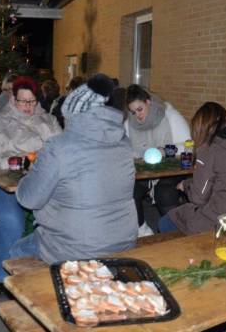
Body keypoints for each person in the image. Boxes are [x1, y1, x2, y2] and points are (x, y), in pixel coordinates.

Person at [10, 74, 137, 264]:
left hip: (73, 248)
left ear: (72, 114)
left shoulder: (58, 147)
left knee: (16, 251)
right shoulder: (124, 143)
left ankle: (38, 292)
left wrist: (29, 174)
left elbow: (29, 199)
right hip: (123, 241)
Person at [0, 76, 61, 294]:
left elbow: (63, 150)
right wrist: (15, 162)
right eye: (22, 101)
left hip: (41, 183)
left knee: (65, 213)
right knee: (12, 218)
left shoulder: (49, 121)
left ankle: (50, 268)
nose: (27, 107)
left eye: (31, 102)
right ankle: (2, 276)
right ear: (13, 99)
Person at [160, 102, 226, 234]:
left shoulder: (210, 148)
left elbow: (198, 197)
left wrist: (185, 185)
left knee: (165, 222)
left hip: (222, 221)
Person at [125, 84, 190, 236]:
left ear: (149, 102)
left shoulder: (170, 116)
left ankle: (178, 233)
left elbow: (187, 146)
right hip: (145, 169)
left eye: (140, 109)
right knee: (129, 192)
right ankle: (142, 231)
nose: (137, 115)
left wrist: (165, 151)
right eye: (133, 112)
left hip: (171, 167)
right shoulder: (129, 123)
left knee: (165, 194)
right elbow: (125, 148)